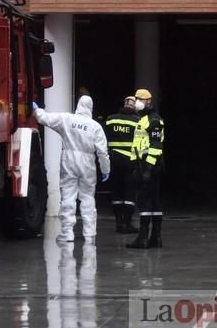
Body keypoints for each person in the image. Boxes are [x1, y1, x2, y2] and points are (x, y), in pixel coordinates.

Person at [33, 96, 110, 242]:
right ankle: (89, 233)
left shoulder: (67, 119)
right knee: (88, 197)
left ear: (78, 105)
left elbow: (45, 118)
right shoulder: (95, 126)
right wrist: (105, 169)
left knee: (68, 197)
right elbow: (102, 151)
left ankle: (67, 233)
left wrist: (37, 110)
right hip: (88, 163)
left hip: (69, 160)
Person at [127, 88, 165, 249]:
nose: (136, 103)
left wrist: (148, 169)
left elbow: (156, 147)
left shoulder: (153, 120)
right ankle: (155, 238)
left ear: (147, 101)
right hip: (146, 164)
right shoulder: (144, 119)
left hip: (148, 165)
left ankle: (143, 238)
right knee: (154, 201)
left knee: (145, 201)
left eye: (139, 100)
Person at [105, 95, 140, 234]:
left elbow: (104, 139)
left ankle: (118, 223)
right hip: (130, 162)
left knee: (117, 191)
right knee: (129, 192)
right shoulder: (138, 121)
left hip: (114, 160)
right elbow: (141, 142)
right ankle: (127, 223)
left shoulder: (110, 119)